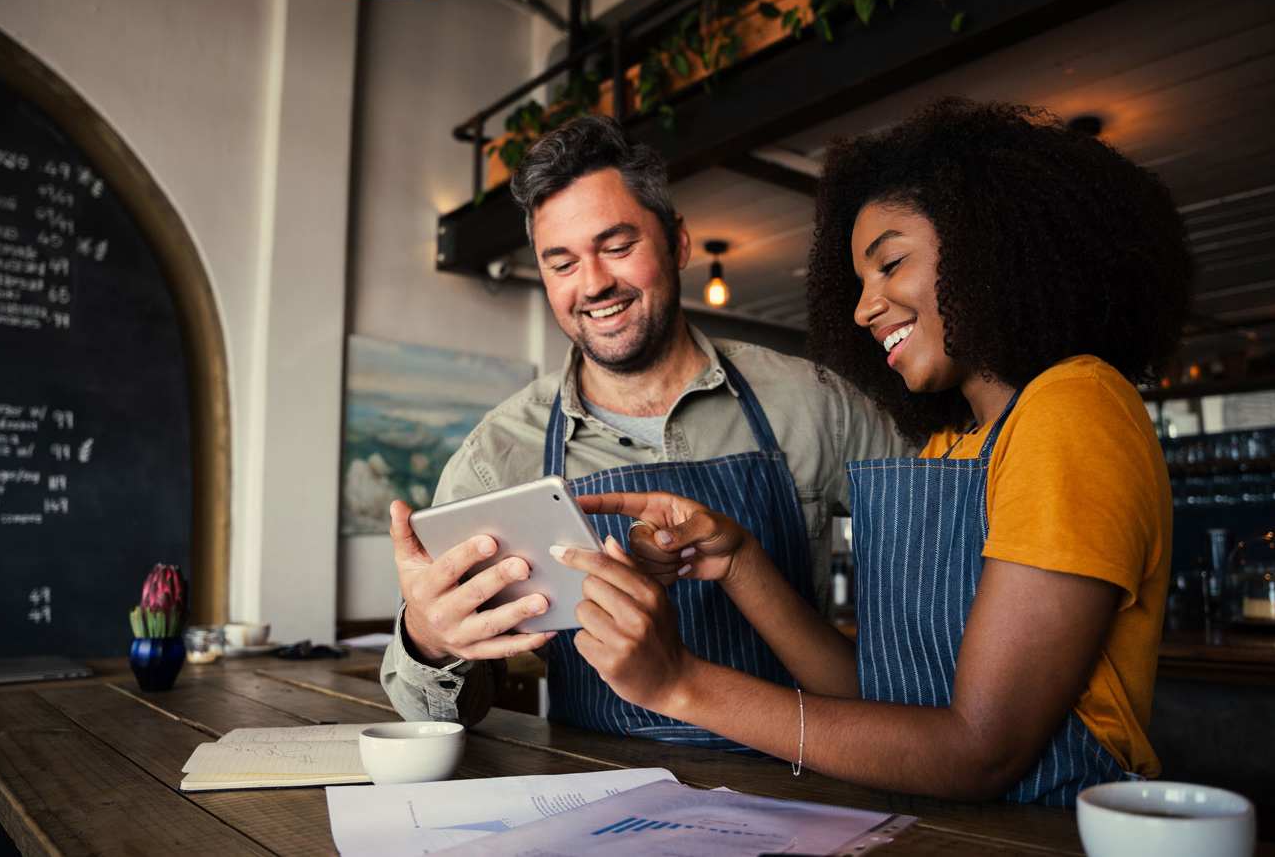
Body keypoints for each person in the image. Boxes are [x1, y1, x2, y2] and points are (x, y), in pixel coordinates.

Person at [554, 98, 1193, 806]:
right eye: (859, 283)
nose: (864, 308)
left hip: (1051, 831)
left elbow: (979, 749)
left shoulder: (1074, 409)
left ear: (990, 246)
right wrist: (739, 561)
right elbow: (884, 703)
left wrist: (678, 684)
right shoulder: (957, 445)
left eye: (890, 264)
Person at [380, 114, 912, 750]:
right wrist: (430, 640)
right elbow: (441, 719)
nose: (594, 283)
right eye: (561, 263)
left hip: (814, 781)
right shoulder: (499, 457)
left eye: (618, 245)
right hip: (595, 794)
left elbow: (942, 580)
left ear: (678, 242)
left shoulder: (815, 403)